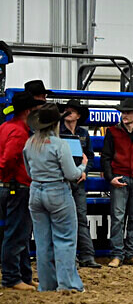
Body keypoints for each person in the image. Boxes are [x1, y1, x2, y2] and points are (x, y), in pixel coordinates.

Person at [23, 103, 88, 291]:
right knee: (65, 239)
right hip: (57, 191)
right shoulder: (60, 144)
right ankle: (68, 284)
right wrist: (82, 167)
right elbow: (71, 174)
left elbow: (28, 172)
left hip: (36, 191)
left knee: (43, 242)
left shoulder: (30, 143)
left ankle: (47, 284)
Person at [0, 91, 44, 291]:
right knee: (17, 234)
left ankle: (23, 276)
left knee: (20, 234)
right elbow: (8, 159)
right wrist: (7, 177)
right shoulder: (19, 132)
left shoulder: (6, 127)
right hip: (17, 186)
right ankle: (11, 277)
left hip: (12, 186)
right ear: (28, 111)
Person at [101, 98, 133, 268]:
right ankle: (119, 254)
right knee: (118, 217)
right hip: (121, 177)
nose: (124, 115)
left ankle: (129, 254)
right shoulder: (113, 132)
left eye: (128, 112)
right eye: (123, 112)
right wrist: (111, 177)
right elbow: (106, 157)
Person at [58, 100, 100, 268]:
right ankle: (76, 256)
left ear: (78, 115)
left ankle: (86, 255)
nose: (69, 113)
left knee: (80, 218)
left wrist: (84, 171)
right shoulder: (58, 132)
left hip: (77, 180)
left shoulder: (83, 133)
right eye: (67, 110)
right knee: (67, 219)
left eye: (72, 111)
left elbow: (90, 155)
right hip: (64, 180)